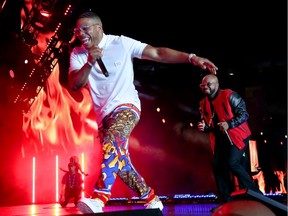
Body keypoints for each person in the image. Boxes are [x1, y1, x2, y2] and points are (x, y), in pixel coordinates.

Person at [68, 11, 218, 214]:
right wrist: (89, 61)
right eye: (77, 30)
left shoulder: (121, 43)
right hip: (104, 117)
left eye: (85, 28)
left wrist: (191, 58)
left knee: (112, 146)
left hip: (126, 107)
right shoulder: (77, 54)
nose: (81, 33)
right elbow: (75, 84)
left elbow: (158, 53)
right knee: (120, 164)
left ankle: (99, 197)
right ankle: (151, 198)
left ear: (99, 28)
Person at [197, 74, 263, 210]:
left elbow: (244, 114)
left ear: (217, 84)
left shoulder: (230, 95)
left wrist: (229, 124)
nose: (205, 87)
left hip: (238, 136)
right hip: (221, 139)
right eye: (203, 85)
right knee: (217, 166)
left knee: (231, 162)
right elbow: (211, 125)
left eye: (208, 84)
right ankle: (226, 200)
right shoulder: (203, 103)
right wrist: (206, 128)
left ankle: (256, 194)